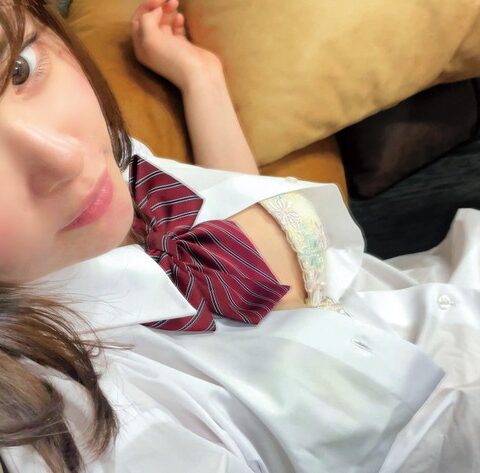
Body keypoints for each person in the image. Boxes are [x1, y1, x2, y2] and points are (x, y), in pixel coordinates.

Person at [0, 1, 479, 472]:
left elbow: (233, 203)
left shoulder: (108, 172)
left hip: (431, 312)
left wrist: (200, 77)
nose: (65, 158)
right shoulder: (76, 428)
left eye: (18, 70)